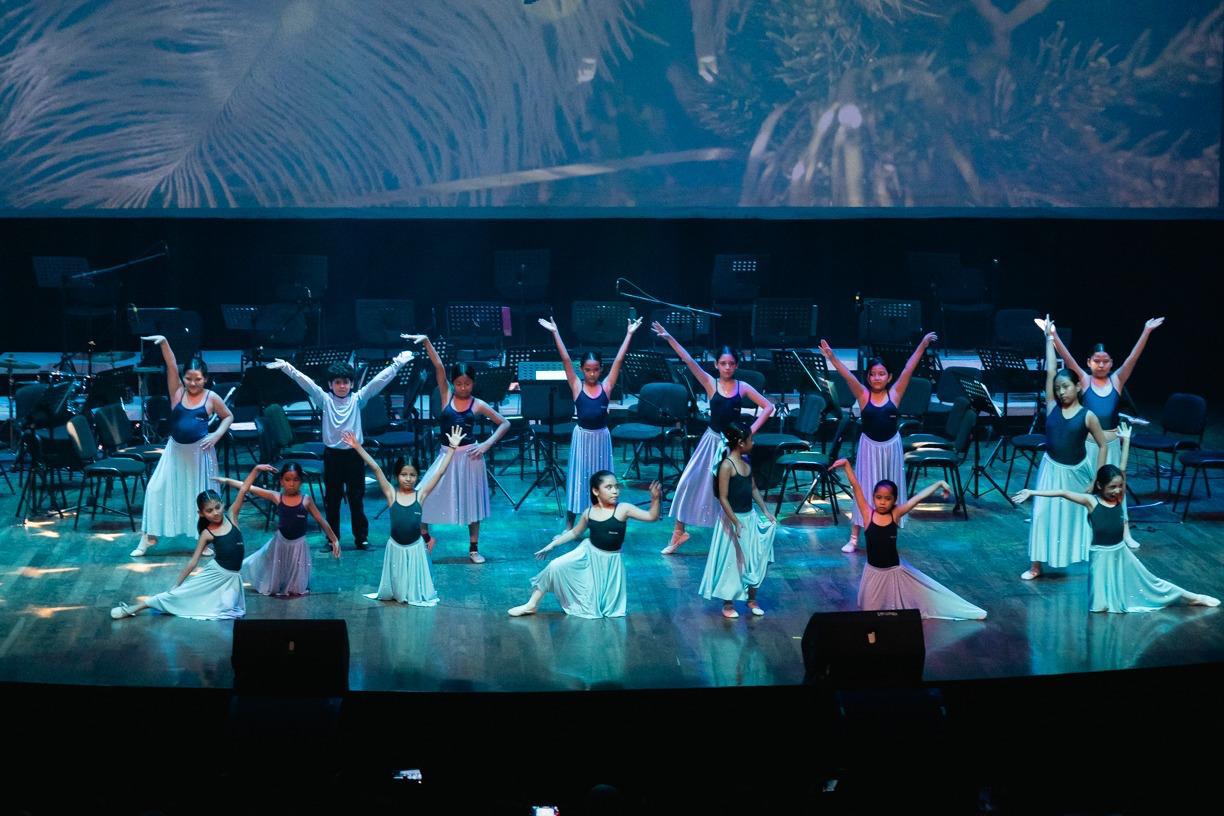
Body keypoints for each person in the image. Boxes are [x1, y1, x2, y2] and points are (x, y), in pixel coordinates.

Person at [1014, 423, 1219, 612]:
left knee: (1152, 582)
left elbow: (1122, 466)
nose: (1117, 490)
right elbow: (1062, 492)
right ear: (1100, 486)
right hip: (1100, 556)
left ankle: (1194, 597)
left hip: (1120, 552)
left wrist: (1126, 440)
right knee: (1098, 607)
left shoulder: (1119, 499)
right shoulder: (1091, 501)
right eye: (1112, 487)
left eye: (1119, 486)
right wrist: (1032, 492)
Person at [267, 350, 413, 550]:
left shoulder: (358, 399)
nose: (342, 386)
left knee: (356, 499)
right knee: (332, 500)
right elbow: (306, 383)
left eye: (345, 382)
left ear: (352, 384)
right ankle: (332, 539)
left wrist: (398, 364)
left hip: (354, 456)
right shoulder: (324, 400)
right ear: (330, 384)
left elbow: (378, 381)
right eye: (337, 382)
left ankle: (361, 539)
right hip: (333, 457)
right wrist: (287, 367)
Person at [652, 321, 773, 554]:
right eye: (723, 363)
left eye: (731, 364)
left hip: (732, 447)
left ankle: (739, 536)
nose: (727, 367)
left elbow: (769, 407)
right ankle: (678, 532)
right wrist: (669, 338)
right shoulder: (710, 382)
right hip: (711, 442)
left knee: (732, 491)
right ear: (717, 364)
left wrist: (749, 432)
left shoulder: (742, 387)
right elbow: (689, 360)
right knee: (688, 482)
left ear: (736, 365)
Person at [1044, 316, 1164, 548]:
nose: (1101, 365)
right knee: (1087, 487)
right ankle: (1083, 532)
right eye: (1096, 361)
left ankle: (1124, 531)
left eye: (1105, 361)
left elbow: (1132, 358)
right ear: (1089, 362)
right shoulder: (1084, 381)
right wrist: (1053, 335)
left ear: (1111, 363)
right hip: (1087, 446)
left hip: (1111, 446)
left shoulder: (1117, 380)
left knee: (1116, 487)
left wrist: (1146, 331)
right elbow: (1067, 358)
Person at [820, 332, 936, 553]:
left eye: (881, 374)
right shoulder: (863, 395)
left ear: (889, 377)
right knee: (863, 489)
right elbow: (848, 377)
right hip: (869, 448)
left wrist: (922, 345)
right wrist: (832, 358)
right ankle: (854, 537)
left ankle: (889, 536)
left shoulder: (895, 394)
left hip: (891, 448)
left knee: (890, 490)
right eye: (873, 374)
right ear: (868, 377)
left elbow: (908, 368)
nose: (877, 378)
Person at [833, 458, 987, 620]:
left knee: (915, 600)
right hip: (873, 573)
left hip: (894, 572)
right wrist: (847, 465)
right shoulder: (867, 514)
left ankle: (965, 611)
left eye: (887, 498)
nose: (883, 502)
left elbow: (918, 497)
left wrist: (939, 483)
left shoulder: (895, 514)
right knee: (870, 613)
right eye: (879, 497)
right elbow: (856, 486)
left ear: (894, 500)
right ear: (873, 497)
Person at [403, 335, 510, 563]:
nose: (463, 388)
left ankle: (473, 549)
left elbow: (504, 423)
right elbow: (439, 367)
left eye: (467, 384)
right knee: (421, 496)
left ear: (473, 383)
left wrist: (486, 444)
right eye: (459, 384)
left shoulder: (478, 404)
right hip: (446, 456)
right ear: (453, 383)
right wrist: (427, 342)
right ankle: (426, 538)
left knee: (472, 506)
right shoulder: (446, 396)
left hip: (470, 458)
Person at [111, 466, 266, 620]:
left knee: (225, 609)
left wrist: (256, 469)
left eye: (217, 507)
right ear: (201, 514)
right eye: (209, 510)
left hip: (232, 578)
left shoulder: (232, 516)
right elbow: (193, 562)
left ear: (222, 504)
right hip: (215, 573)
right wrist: (177, 585)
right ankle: (133, 608)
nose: (215, 512)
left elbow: (244, 489)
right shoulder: (207, 533)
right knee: (178, 595)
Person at [1022, 318, 1109, 581]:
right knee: (1041, 514)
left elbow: (1103, 445)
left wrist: (1097, 479)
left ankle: (1094, 559)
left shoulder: (1087, 416)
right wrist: (1049, 338)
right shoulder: (1052, 407)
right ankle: (1036, 565)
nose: (1060, 392)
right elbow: (1051, 371)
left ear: (1078, 387)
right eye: (1058, 388)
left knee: (1080, 516)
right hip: (1051, 468)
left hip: (1076, 472)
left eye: (1066, 387)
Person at [131, 335, 232, 557]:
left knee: (202, 497)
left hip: (199, 454)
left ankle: (204, 540)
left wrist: (216, 435)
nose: (193, 383)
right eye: (189, 378)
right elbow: (171, 364)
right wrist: (165, 342)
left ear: (205, 379)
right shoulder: (177, 393)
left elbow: (228, 416)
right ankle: (149, 537)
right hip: (175, 452)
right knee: (155, 489)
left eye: (198, 379)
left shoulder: (211, 397)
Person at [508, 473, 662, 618]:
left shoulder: (623, 509)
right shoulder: (589, 512)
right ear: (596, 491)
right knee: (554, 566)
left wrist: (655, 499)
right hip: (588, 554)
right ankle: (531, 604)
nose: (615, 491)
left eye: (616, 487)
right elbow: (575, 532)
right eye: (609, 487)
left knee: (602, 608)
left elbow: (651, 517)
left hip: (611, 562)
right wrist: (552, 545)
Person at [538, 315, 642, 526]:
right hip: (582, 438)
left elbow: (619, 360)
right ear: (582, 369)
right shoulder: (577, 386)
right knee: (579, 478)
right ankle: (570, 524)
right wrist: (555, 332)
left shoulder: (606, 387)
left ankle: (603, 520)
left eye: (595, 370)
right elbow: (565, 360)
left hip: (601, 438)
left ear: (601, 369)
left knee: (602, 479)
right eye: (588, 370)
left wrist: (629, 334)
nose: (592, 374)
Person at [344, 426, 464, 606]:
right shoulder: (391, 495)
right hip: (396, 547)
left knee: (414, 590)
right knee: (398, 590)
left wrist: (452, 449)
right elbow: (376, 468)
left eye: (412, 475)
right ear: (397, 475)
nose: (408, 479)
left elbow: (439, 472)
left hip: (415, 547)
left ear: (417, 476)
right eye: (404, 475)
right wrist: (357, 447)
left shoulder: (420, 495)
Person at [213, 463, 340, 596]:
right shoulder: (277, 497)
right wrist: (227, 480)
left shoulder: (306, 500)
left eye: (296, 480)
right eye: (287, 480)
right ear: (281, 481)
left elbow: (321, 520)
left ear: (301, 481)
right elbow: (249, 487)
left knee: (296, 584)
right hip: (280, 543)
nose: (291, 484)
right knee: (258, 565)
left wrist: (334, 539)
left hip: (298, 545)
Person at [698, 421, 778, 619]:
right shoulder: (727, 465)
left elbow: (753, 489)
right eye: (750, 439)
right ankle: (728, 603)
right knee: (732, 562)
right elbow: (723, 497)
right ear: (741, 443)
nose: (753, 442)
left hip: (748, 518)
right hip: (731, 520)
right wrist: (735, 521)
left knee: (752, 559)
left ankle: (752, 599)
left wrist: (765, 511)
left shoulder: (746, 463)